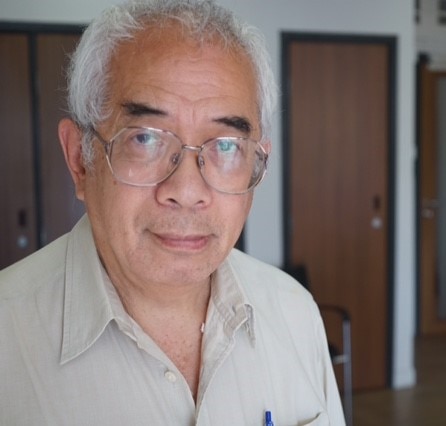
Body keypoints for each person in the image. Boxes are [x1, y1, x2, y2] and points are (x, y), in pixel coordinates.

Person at [0, 1, 345, 425]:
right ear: (80, 160)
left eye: (226, 146)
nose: (186, 191)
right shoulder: (8, 342)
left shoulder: (294, 313)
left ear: (257, 166)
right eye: (144, 139)